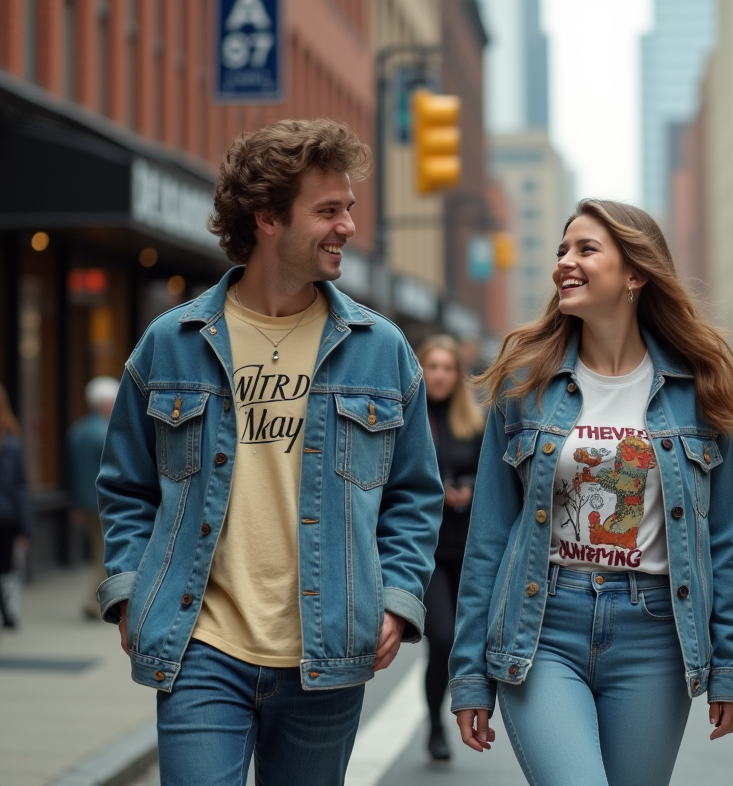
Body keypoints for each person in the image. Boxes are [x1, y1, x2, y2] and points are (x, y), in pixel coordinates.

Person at [96, 119, 444, 786]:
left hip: (329, 651)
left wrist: (397, 599)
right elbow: (126, 486)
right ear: (267, 220)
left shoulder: (382, 350)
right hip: (201, 646)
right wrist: (130, 594)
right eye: (328, 210)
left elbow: (412, 495)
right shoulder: (173, 342)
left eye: (349, 208)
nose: (347, 226)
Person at [449, 199, 733, 785]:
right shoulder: (524, 381)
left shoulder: (702, 385)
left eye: (586, 249)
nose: (566, 260)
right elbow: (488, 537)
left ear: (635, 273)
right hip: (543, 626)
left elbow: (726, 540)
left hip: (655, 632)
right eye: (562, 249)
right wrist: (469, 675)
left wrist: (731, 662)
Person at [416, 334, 485, 762]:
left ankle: (462, 710)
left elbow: (496, 482)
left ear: (457, 375)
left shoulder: (474, 422)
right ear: (421, 371)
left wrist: (469, 492)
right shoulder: (408, 420)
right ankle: (436, 722)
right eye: (432, 366)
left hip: (468, 550)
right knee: (440, 637)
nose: (439, 374)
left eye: (447, 367)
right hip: (426, 551)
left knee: (465, 642)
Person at [67, 376, 119, 620]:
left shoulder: (77, 432)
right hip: (105, 502)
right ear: (106, 404)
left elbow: (69, 473)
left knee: (99, 551)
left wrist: (74, 504)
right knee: (104, 554)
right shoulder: (107, 433)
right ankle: (92, 602)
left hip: (85, 502)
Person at [0, 385, 31, 629]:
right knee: (7, 569)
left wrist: (25, 527)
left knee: (8, 568)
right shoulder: (12, 442)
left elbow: (20, 487)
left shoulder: (12, 442)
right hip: (9, 516)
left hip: (7, 517)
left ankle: (9, 612)